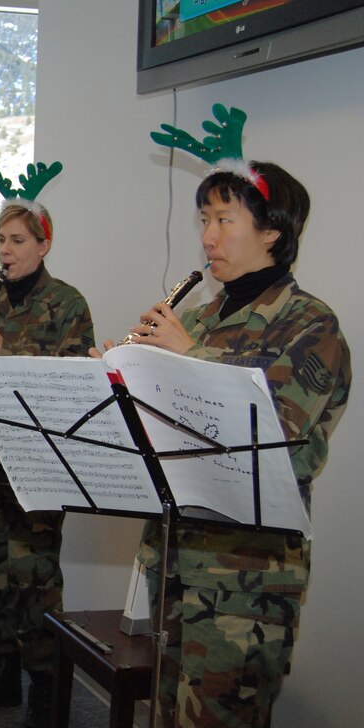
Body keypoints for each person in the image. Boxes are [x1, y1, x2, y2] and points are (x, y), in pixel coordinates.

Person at [99, 160, 350, 727]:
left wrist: (187, 357)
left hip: (246, 575)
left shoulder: (312, 324)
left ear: (272, 231)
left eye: (223, 219)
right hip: (175, 557)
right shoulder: (204, 316)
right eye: (203, 219)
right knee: (169, 711)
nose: (207, 236)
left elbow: (279, 426)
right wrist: (118, 383)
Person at [0, 199, 94, 727]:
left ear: (43, 245)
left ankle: (46, 684)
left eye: (17, 241)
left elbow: (76, 381)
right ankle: (3, 670)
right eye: (0, 240)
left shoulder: (67, 303)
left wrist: (8, 351)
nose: (5, 251)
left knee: (35, 574)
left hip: (39, 464)